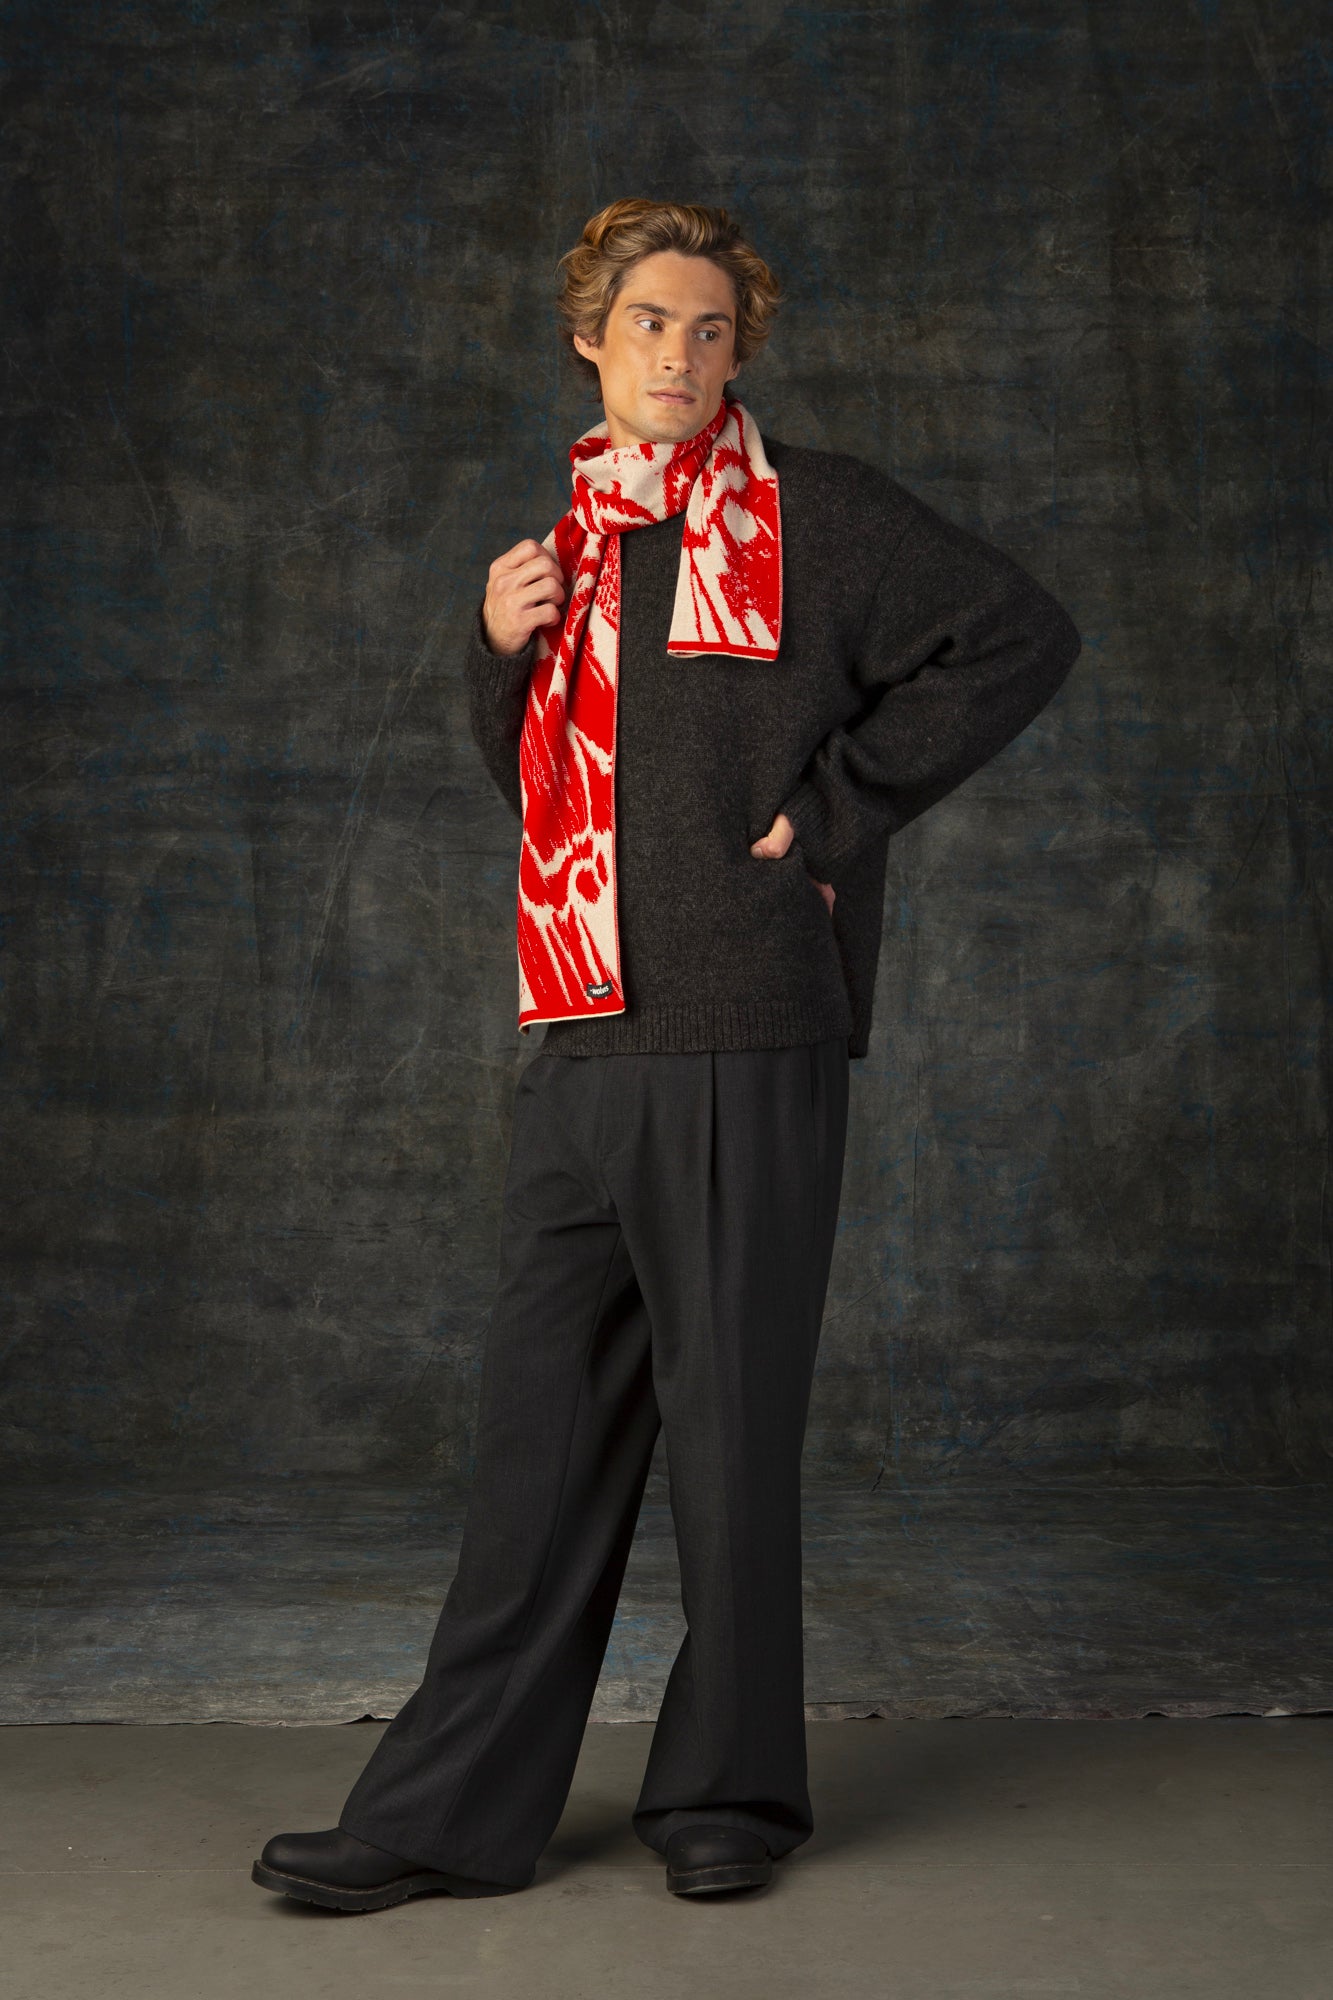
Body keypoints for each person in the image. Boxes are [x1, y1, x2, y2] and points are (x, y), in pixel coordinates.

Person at [253, 197, 1081, 1913]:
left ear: (738, 351)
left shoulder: (819, 516)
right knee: (538, 1436)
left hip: (742, 1027)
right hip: (579, 1024)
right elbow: (551, 794)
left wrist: (835, 813)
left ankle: (728, 1796)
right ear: (589, 336)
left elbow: (1017, 635)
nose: (683, 358)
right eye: (652, 325)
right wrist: (493, 657)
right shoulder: (566, 532)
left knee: (726, 1431)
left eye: (712, 331)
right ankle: (449, 1810)